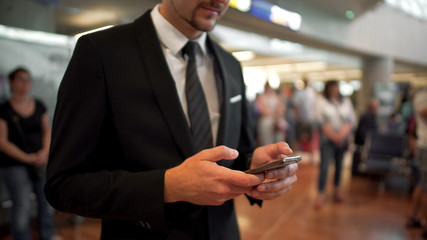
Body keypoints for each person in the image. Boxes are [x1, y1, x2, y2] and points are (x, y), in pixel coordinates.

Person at [44, 1, 299, 239]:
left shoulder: (230, 64)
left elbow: (239, 149)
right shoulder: (102, 52)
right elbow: (64, 185)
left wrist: (253, 164)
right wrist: (168, 186)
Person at [0, 67, 60, 240]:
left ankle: (48, 234)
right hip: (14, 163)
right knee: (22, 203)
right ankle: (22, 236)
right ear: (11, 82)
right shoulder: (4, 109)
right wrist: (27, 158)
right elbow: (2, 141)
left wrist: (44, 153)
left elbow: (47, 131)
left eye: (28, 79)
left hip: (40, 161)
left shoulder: (39, 104)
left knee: (47, 199)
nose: (26, 83)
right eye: (21, 79)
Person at [314, 80, 355, 210]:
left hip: (342, 140)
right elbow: (321, 122)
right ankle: (321, 193)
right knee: (325, 167)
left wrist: (341, 135)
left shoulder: (346, 102)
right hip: (327, 139)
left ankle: (337, 190)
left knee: (339, 166)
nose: (334, 90)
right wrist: (334, 136)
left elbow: (350, 120)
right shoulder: (321, 102)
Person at [408, 87, 427, 238]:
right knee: (425, 185)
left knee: (423, 184)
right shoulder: (423, 96)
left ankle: (415, 217)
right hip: (425, 146)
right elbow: (424, 113)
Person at [292, 77, 317, 159]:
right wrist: (298, 116)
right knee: (298, 138)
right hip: (301, 119)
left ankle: (312, 157)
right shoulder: (299, 93)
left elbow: (314, 106)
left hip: (310, 119)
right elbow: (296, 106)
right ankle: (294, 155)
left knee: (310, 138)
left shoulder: (311, 93)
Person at [352, 98, 379, 175]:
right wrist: (367, 142)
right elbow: (363, 131)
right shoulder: (367, 116)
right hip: (362, 142)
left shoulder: (371, 115)